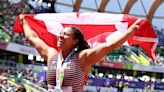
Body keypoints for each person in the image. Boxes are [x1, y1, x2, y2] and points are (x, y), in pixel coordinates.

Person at [19, 14, 142, 92]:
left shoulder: (82, 57)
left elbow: (109, 45)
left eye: (65, 35)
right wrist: (24, 21)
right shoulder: (52, 55)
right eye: (60, 34)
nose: (60, 36)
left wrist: (131, 30)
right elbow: (32, 38)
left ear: (75, 40)